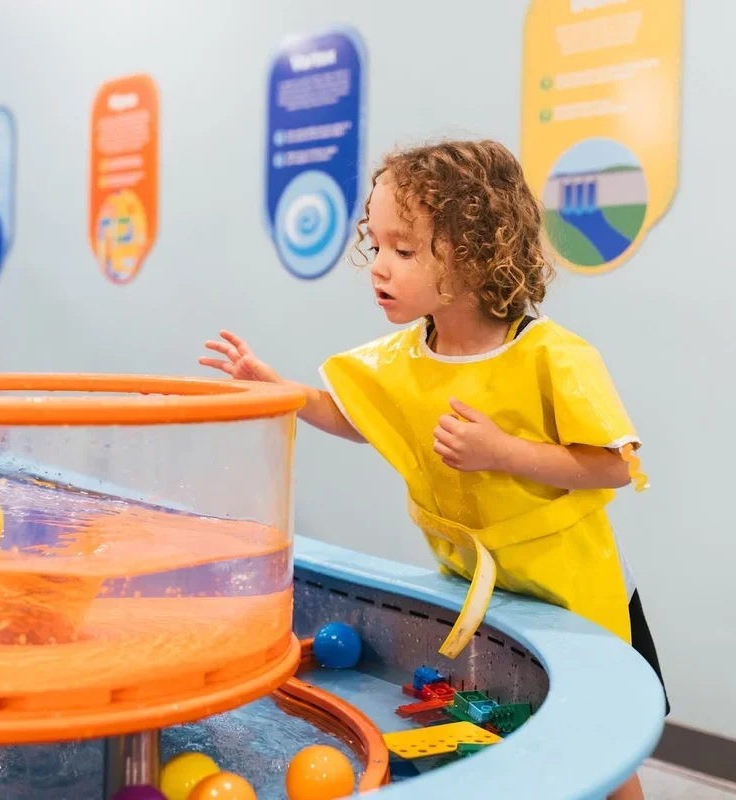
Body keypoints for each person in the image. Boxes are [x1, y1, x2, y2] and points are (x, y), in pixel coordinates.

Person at [200, 139, 665, 800]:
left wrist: (504, 453)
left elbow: (614, 466)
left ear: (475, 257)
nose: (379, 267)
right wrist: (277, 387)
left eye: (405, 250)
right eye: (377, 244)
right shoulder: (402, 359)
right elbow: (357, 418)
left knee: (601, 749)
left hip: (574, 592)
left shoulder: (549, 357)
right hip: (485, 591)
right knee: (505, 731)